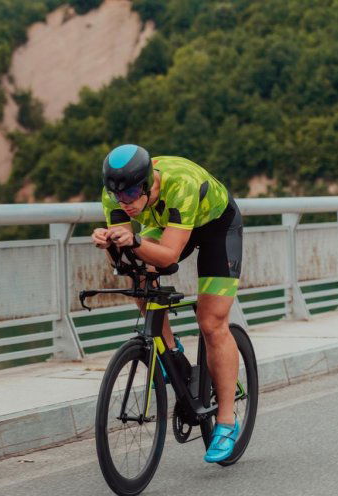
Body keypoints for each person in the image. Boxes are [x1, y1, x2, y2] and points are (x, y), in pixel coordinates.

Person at [91, 144, 244, 463]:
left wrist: (134, 240)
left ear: (147, 183)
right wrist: (111, 243)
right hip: (168, 225)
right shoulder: (116, 195)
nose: (126, 202)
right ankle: (170, 352)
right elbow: (125, 258)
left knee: (211, 323)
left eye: (132, 193)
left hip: (216, 227)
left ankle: (227, 422)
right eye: (119, 196)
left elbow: (170, 255)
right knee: (140, 275)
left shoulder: (180, 183)